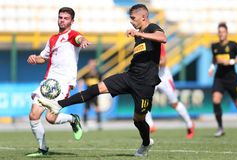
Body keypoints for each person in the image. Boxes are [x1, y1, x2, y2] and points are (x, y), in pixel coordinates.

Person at [38, 4, 167, 157]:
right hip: (129, 76)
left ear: (143, 17)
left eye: (133, 18)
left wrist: (140, 34)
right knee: (95, 89)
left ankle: (146, 143)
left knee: (138, 120)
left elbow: (163, 38)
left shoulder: (152, 28)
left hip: (146, 84)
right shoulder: (139, 34)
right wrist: (138, 34)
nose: (131, 22)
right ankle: (58, 105)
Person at [26, 7, 90, 157]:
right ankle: (43, 148)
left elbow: (79, 38)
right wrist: (35, 58)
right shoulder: (52, 39)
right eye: (60, 17)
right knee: (33, 115)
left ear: (72, 21)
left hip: (63, 83)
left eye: (66, 18)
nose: (62, 20)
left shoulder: (72, 35)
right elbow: (44, 58)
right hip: (49, 81)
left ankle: (73, 119)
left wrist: (83, 40)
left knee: (50, 118)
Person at [145, 44, 195, 139]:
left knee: (174, 103)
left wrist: (150, 63)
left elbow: (163, 62)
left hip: (163, 76)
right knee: (145, 100)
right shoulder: (143, 43)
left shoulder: (157, 43)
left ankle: (189, 124)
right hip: (151, 76)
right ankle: (150, 125)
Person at [208, 22, 237, 137]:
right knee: (216, 100)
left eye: (223, 32)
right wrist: (211, 67)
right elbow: (214, 59)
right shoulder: (214, 46)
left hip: (231, 78)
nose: (221, 34)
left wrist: (230, 61)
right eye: (219, 32)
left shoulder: (233, 45)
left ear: (227, 33)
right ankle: (220, 128)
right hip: (219, 78)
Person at [78, 59, 102, 131]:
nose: (92, 65)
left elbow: (101, 81)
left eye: (93, 63)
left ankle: (99, 124)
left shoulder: (98, 73)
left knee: (97, 108)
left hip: (95, 92)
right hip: (88, 92)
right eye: (91, 63)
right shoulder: (86, 73)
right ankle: (85, 124)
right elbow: (81, 80)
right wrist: (80, 89)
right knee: (86, 109)